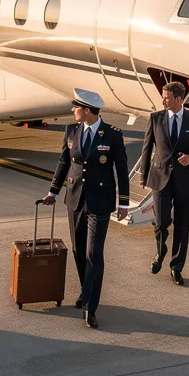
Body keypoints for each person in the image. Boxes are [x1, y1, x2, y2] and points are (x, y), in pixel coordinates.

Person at [43, 88, 129, 329]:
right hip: (75, 200)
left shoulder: (112, 135)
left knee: (94, 254)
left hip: (100, 202)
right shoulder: (71, 131)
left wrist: (123, 202)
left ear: (88, 110)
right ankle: (85, 289)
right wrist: (53, 191)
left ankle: (91, 307)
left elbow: (121, 170)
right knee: (79, 251)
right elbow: (63, 162)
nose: (73, 110)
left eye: (76, 107)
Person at [139, 81, 189, 286]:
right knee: (161, 223)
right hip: (160, 178)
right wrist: (143, 176)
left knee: (182, 225)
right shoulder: (155, 118)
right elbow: (146, 148)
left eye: (167, 98)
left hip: (184, 181)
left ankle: (176, 267)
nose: (163, 101)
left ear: (179, 99)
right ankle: (160, 253)